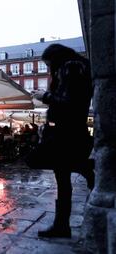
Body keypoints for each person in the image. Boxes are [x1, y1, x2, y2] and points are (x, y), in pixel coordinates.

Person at [31, 44, 94, 238]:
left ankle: (62, 226)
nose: (49, 69)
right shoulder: (79, 66)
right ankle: (61, 224)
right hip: (72, 131)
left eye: (49, 64)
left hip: (66, 133)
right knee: (67, 173)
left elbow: (69, 103)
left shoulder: (70, 68)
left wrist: (45, 96)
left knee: (64, 176)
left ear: (56, 58)